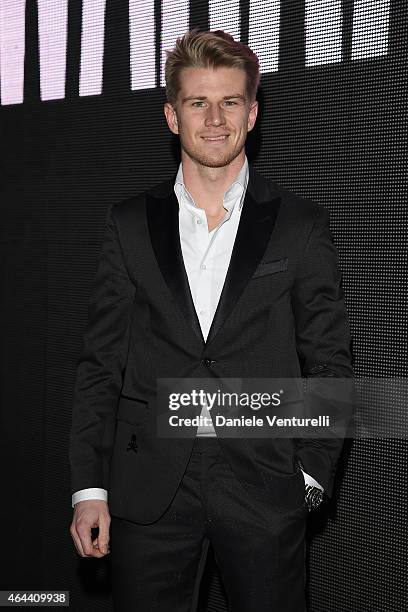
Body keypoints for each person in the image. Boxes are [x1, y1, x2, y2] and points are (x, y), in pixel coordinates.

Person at [69, 29, 353, 612]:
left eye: (230, 102)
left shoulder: (300, 225)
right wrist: (89, 487)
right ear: (173, 116)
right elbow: (101, 363)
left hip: (265, 486)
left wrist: (310, 474)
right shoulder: (128, 224)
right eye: (199, 102)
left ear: (253, 113)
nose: (215, 119)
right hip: (148, 489)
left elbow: (329, 360)